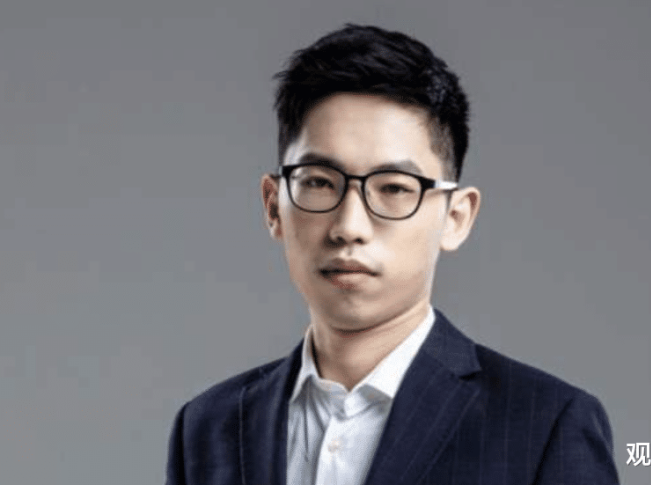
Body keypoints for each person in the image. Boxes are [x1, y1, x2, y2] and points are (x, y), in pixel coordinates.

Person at [165, 24, 620, 485]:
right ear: (273, 206)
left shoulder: (545, 427)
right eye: (319, 182)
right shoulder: (206, 428)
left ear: (456, 217)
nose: (349, 227)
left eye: (394, 188)